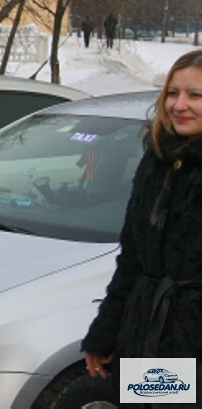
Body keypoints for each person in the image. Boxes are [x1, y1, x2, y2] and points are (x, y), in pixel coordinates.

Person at [82, 50, 202, 392]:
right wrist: (105, 331)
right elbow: (132, 258)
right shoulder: (158, 160)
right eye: (173, 93)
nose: (179, 105)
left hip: (193, 342)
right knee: (145, 400)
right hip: (145, 335)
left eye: (195, 95)